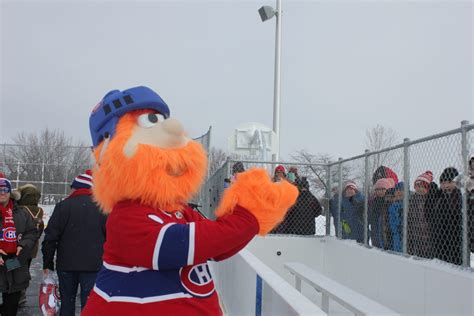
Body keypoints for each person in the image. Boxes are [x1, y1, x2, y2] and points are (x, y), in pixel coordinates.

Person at [42, 170, 107, 315]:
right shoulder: (103, 208)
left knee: (67, 302)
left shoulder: (63, 206)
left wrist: (47, 263)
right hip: (93, 266)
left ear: (77, 188)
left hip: (66, 265)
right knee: (89, 303)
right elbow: (112, 239)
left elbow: (50, 238)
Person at [0, 173, 36, 316]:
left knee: (11, 304)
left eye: (5, 190)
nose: (2, 193)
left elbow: (31, 232)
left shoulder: (22, 213)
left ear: (10, 193)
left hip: (14, 261)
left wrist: (23, 245)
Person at [14, 184, 44, 306]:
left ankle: (17, 294)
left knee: (13, 268)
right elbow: (40, 229)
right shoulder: (39, 211)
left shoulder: (20, 210)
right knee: (25, 268)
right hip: (31, 249)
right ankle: (22, 293)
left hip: (19, 247)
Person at [430, 167, 462, 265]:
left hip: (455, 239)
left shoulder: (459, 196)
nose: (446, 185)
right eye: (443, 183)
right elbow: (430, 213)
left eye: (450, 182)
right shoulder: (439, 196)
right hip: (439, 238)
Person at [407, 172, 432, 258]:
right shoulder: (412, 200)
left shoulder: (430, 200)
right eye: (418, 186)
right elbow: (409, 218)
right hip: (414, 236)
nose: (420, 189)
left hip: (427, 236)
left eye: (423, 187)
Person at [369, 178, 394, 248]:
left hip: (386, 233)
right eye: (378, 189)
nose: (380, 192)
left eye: (383, 189)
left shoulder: (390, 202)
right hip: (375, 232)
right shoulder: (373, 202)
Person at [388, 182, 405, 253]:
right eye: (397, 190)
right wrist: (396, 227)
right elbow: (391, 221)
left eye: (401, 190)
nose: (399, 192)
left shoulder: (409, 204)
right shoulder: (392, 206)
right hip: (396, 235)